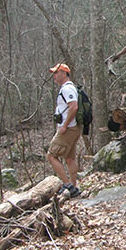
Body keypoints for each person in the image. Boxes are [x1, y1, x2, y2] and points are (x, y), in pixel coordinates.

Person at [47, 63, 81, 197]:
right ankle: (73, 187)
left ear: (64, 73)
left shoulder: (67, 89)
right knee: (69, 158)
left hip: (68, 129)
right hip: (73, 128)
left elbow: (74, 107)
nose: (54, 76)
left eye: (56, 72)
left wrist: (64, 126)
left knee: (51, 155)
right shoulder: (69, 88)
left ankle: (67, 184)